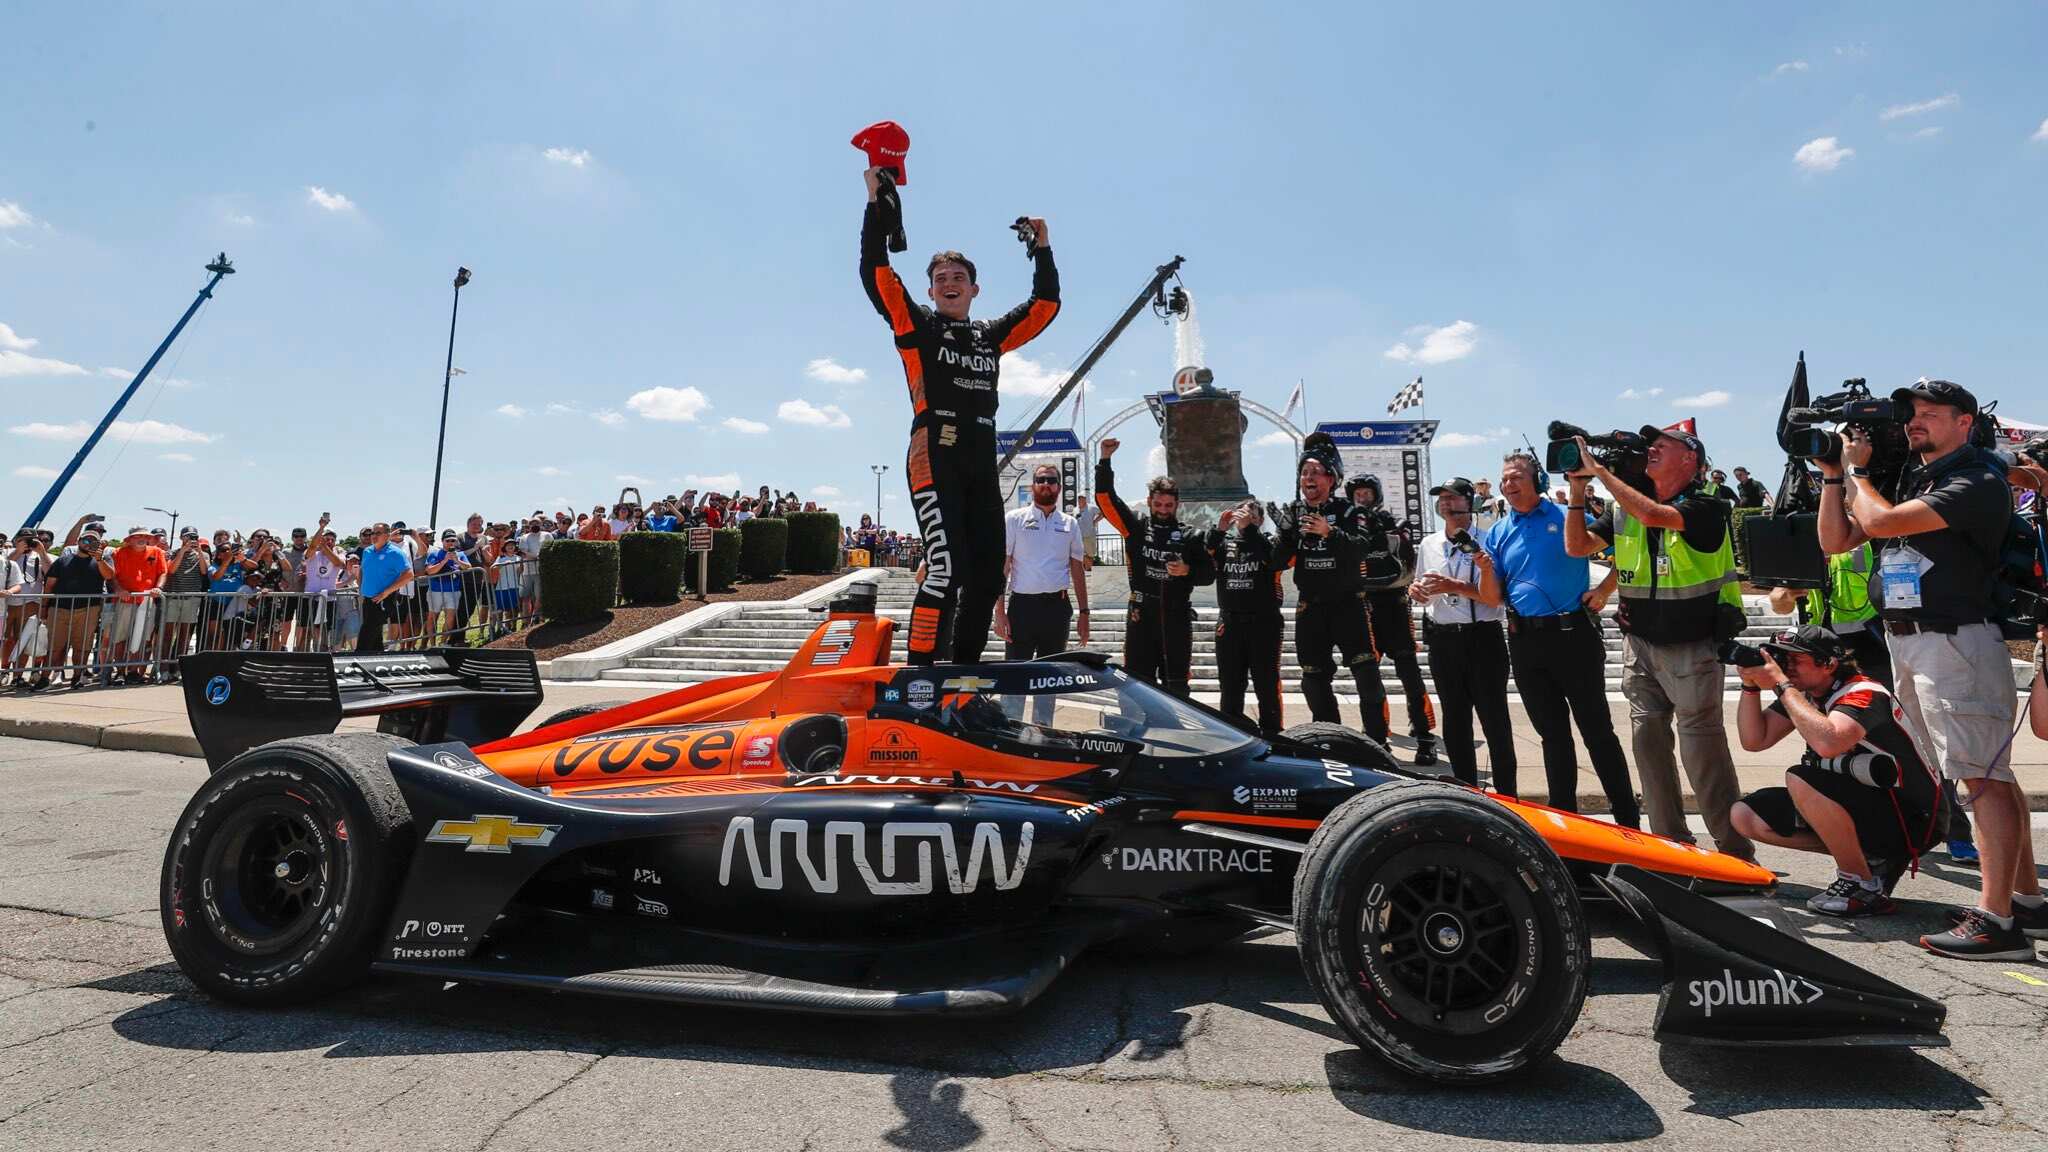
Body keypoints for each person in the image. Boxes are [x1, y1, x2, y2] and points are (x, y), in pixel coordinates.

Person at [1816, 379, 2039, 959]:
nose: (1915, 422)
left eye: (1931, 414)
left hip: (1955, 640)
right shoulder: (1918, 479)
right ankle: (2026, 899)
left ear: (1965, 422)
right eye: (1911, 414)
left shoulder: (1977, 479)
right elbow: (1837, 539)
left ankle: (1997, 924)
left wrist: (1860, 475)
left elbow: (1885, 525)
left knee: (1979, 778)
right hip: (1912, 640)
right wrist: (1834, 474)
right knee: (1988, 771)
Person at [860, 165, 1059, 664]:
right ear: (929, 291)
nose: (950, 283)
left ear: (975, 289)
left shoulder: (989, 334)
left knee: (989, 575)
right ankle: (920, 670)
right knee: (944, 568)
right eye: (941, 279)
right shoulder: (918, 326)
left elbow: (1045, 306)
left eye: (959, 278)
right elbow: (878, 275)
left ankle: (966, 673)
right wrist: (874, 207)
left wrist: (1042, 247)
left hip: (979, 457)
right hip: (934, 450)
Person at [1565, 424, 1747, 857]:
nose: (1651, 450)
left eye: (1662, 445)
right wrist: (1577, 490)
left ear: (1691, 460)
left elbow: (1655, 516)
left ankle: (1736, 853)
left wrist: (1602, 474)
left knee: (1702, 752)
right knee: (1648, 744)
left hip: (1693, 645)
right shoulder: (1625, 509)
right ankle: (1669, 847)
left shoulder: (1707, 505)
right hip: (1640, 644)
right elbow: (1576, 546)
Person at [1729, 627, 1943, 917]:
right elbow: (1755, 740)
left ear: (1828, 663)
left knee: (1801, 778)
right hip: (1867, 805)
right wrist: (1750, 686)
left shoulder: (1864, 692)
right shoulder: (1805, 692)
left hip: (1913, 817)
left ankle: (1861, 884)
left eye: (1795, 660)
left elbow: (1829, 742)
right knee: (1746, 816)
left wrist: (1780, 683)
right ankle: (1870, 860)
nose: (1786, 667)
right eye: (1782, 659)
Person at [1476, 453, 1637, 821]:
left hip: (1573, 637)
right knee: (1552, 735)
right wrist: (1484, 572)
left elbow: (1627, 553)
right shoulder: (1499, 531)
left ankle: (1627, 816)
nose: (1509, 485)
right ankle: (1565, 817)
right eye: (1504, 479)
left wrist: (1606, 590)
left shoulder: (1569, 519)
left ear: (1539, 482)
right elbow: (1493, 597)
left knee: (1597, 731)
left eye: (1516, 477)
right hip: (1525, 643)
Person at [1275, 435, 1389, 740]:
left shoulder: (1352, 513)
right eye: (1304, 472)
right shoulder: (1294, 512)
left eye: (1315, 472)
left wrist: (1330, 532)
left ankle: (1378, 744)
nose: (1308, 478)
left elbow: (1360, 550)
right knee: (1313, 679)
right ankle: (1333, 742)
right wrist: (1284, 533)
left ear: (1332, 478)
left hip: (1348, 604)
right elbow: (1277, 562)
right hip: (1310, 607)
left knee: (1367, 676)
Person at [1412, 479, 1515, 789]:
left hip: (1483, 638)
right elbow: (1424, 592)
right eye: (1441, 498)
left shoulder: (1489, 540)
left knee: (1494, 721)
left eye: (1452, 497)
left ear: (1468, 501)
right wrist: (1416, 591)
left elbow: (1495, 598)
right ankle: (1464, 790)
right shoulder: (1428, 544)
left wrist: (1454, 586)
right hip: (1444, 641)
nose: (1445, 503)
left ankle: (1509, 795)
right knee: (1455, 722)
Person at [1094, 438, 1212, 695]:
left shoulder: (1191, 536)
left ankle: (1175, 734)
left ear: (1177, 504)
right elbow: (1106, 500)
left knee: (1177, 685)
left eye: (1168, 505)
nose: (1162, 510)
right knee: (1136, 683)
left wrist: (1187, 570)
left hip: (1176, 616)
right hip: (1141, 616)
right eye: (1158, 504)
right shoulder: (1135, 526)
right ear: (1149, 501)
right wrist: (1105, 460)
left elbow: (1209, 574)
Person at [1348, 474, 1438, 764]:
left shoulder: (1396, 524)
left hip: (1395, 605)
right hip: (1363, 607)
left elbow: (1407, 567)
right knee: (1368, 677)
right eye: (1357, 495)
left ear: (1377, 496)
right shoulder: (1347, 527)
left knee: (1410, 674)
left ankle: (1424, 736)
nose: (1362, 499)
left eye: (1366, 494)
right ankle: (1377, 736)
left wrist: (1381, 534)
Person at [995, 463, 1090, 722]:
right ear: (1032, 485)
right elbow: (1003, 565)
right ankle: (1009, 729)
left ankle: (1043, 729)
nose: (1045, 484)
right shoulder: (1014, 519)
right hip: (1021, 608)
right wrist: (999, 611)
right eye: (1040, 479)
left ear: (1059, 487)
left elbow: (1077, 568)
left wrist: (1084, 612)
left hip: (1056, 609)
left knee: (1049, 677)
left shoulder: (1070, 523)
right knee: (1016, 674)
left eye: (1051, 480)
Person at [1207, 499, 1286, 736]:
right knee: (1230, 685)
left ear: (1260, 521)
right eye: (1241, 512)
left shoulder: (1267, 542)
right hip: (1230, 624)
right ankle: (1232, 735)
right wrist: (1220, 529)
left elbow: (1275, 559)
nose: (1244, 516)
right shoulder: (1226, 545)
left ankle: (1273, 734)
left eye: (1250, 514)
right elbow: (1205, 553)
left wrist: (1250, 529)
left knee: (1266, 684)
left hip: (1263, 623)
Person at [99, 527, 167, 683]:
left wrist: (159, 588)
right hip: (124, 601)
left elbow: (163, 572)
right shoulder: (118, 553)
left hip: (147, 602)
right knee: (120, 638)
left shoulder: (156, 552)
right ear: (129, 539)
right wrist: (119, 589)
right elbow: (112, 576)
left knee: (143, 638)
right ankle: (120, 671)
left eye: (144, 535)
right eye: (137, 536)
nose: (142, 538)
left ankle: (134, 671)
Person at [160, 528, 210, 676]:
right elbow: (171, 570)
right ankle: (163, 669)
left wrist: (199, 552)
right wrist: (183, 551)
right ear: (181, 538)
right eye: (187, 536)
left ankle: (178, 668)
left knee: (184, 635)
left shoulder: (203, 554)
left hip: (192, 599)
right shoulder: (173, 552)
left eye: (194, 536)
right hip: (173, 597)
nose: (191, 539)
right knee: (168, 635)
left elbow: (204, 571)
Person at [357, 524, 412, 654]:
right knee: (374, 636)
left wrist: (385, 592)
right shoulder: (367, 551)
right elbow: (362, 571)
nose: (374, 536)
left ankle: (356, 658)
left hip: (384, 599)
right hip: (368, 599)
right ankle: (377, 659)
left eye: (378, 533)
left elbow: (409, 575)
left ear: (387, 535)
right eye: (372, 533)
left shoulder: (395, 553)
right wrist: (361, 588)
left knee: (366, 633)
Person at [423, 529, 469, 644]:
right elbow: (429, 571)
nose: (450, 543)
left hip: (454, 591)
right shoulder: (434, 553)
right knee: (432, 618)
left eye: (453, 540)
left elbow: (468, 567)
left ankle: (443, 642)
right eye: (448, 540)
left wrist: (457, 560)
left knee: (450, 619)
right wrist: (444, 561)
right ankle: (432, 644)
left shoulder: (460, 554)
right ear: (442, 541)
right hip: (435, 591)